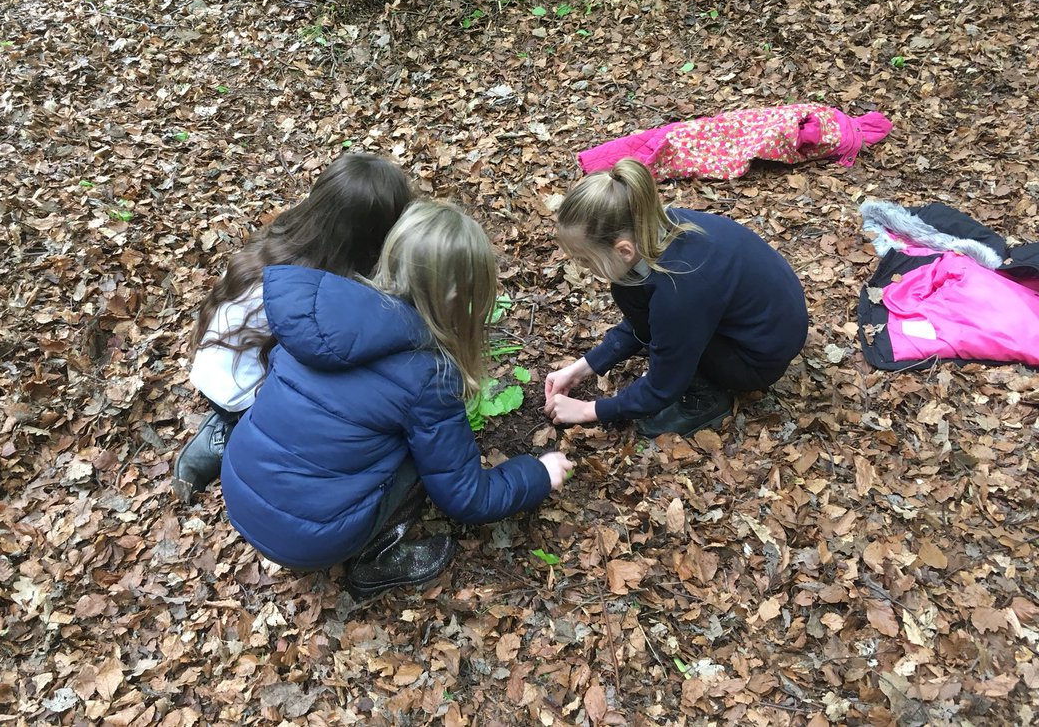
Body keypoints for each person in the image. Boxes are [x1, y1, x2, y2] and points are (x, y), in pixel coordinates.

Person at [221, 200, 575, 598]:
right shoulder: (427, 375)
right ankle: (376, 557)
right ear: (458, 294)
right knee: (420, 456)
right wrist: (537, 474)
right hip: (309, 539)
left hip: (239, 490)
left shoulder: (323, 313)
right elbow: (465, 496)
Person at [173, 153, 414, 503]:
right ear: (372, 234)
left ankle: (229, 426)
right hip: (243, 395)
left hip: (217, 372)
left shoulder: (288, 239)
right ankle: (230, 431)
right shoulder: (315, 289)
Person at [544, 158, 807, 438]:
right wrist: (582, 368)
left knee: (643, 306)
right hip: (761, 324)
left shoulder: (679, 288)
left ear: (624, 251)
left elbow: (661, 386)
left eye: (585, 260)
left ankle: (704, 401)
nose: (583, 269)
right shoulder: (653, 226)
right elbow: (644, 323)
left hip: (756, 360)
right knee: (630, 291)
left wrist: (587, 410)